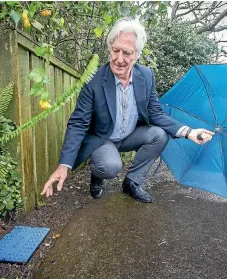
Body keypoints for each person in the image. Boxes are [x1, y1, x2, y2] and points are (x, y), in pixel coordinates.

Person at [41, 18, 214, 203]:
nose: (119, 59)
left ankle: (132, 182)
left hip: (130, 135)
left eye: (127, 52)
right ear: (109, 48)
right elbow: (78, 123)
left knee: (159, 135)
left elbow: (155, 113)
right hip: (103, 139)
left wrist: (189, 132)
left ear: (136, 55)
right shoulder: (93, 81)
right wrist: (64, 165)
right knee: (110, 167)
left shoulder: (146, 76)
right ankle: (97, 175)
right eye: (115, 50)